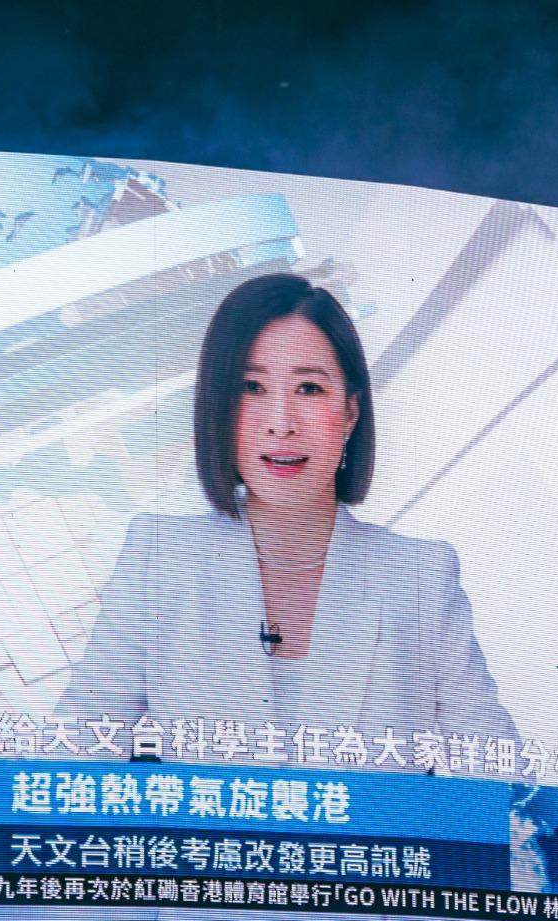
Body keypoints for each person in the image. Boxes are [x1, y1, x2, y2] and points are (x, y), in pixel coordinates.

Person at [58, 273, 516, 761]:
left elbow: (498, 770)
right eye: (251, 387)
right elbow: (70, 756)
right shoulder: (161, 557)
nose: (281, 423)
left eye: (309, 388)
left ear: (350, 412)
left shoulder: (419, 575)